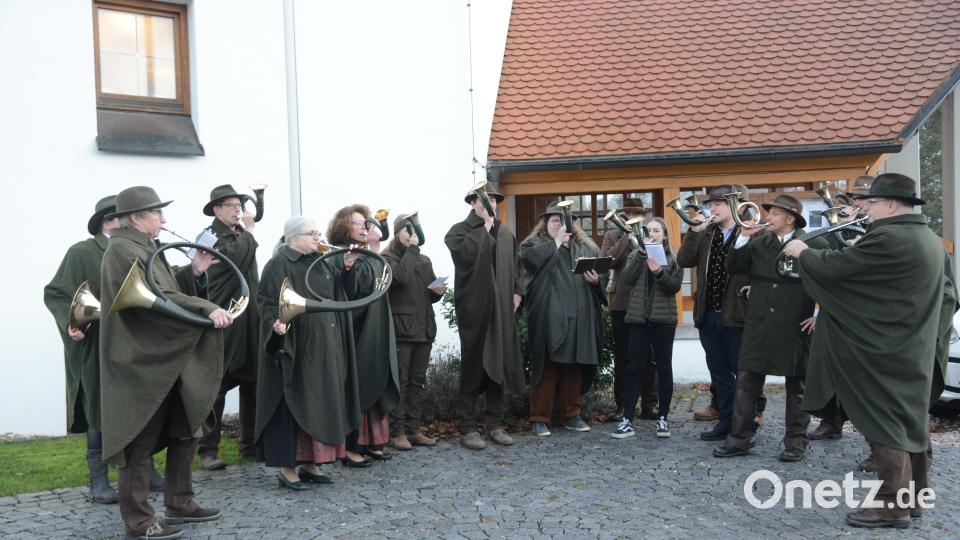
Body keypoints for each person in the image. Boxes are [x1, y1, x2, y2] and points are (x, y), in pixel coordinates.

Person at [783, 173, 945, 528]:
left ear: (890, 204)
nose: (865, 210)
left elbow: (840, 270)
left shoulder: (890, 236)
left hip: (883, 350)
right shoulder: (925, 237)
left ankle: (891, 505)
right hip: (910, 347)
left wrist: (804, 253)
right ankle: (915, 495)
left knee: (884, 423)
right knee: (909, 422)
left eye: (870, 204)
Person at [99, 186, 227, 539]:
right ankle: (138, 522)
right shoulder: (123, 249)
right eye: (157, 213)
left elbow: (165, 286)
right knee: (139, 442)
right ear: (137, 217)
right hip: (143, 361)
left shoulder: (145, 245)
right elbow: (160, 297)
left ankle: (180, 502)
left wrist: (195, 271)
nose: (164, 219)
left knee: (186, 427)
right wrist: (208, 308)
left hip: (165, 356)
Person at [711, 194, 827, 462]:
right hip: (759, 324)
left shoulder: (814, 243)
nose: (767, 217)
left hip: (796, 324)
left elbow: (830, 280)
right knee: (746, 383)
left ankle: (796, 441)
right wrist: (742, 238)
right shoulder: (759, 241)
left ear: (789, 218)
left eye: (774, 214)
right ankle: (739, 439)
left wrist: (821, 314)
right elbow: (733, 266)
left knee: (797, 388)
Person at [255, 217, 362, 489]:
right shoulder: (278, 264)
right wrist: (275, 325)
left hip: (324, 345)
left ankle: (310, 462)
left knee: (316, 402)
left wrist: (348, 266)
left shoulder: (321, 262)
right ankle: (287, 467)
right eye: (310, 233)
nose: (317, 237)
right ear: (292, 238)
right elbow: (266, 302)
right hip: (295, 344)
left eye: (317, 232)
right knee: (291, 402)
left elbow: (342, 295)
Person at [44, 195, 120, 504]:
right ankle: (98, 480)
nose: (129, 222)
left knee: (139, 406)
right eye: (122, 217)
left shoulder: (138, 249)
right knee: (97, 408)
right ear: (106, 221)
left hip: (132, 343)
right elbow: (57, 293)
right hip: (95, 344)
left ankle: (145, 471)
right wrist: (70, 323)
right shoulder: (82, 252)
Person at [444, 186, 524, 450]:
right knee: (474, 366)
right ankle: (467, 428)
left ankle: (495, 424)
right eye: (482, 200)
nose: (488, 203)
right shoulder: (458, 232)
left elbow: (516, 266)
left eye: (491, 200)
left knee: (498, 365)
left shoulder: (505, 233)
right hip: (475, 311)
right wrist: (486, 230)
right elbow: (465, 256)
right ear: (472, 203)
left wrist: (516, 292)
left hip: (501, 310)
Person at [521, 201, 604, 436]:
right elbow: (529, 262)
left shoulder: (586, 249)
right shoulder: (533, 245)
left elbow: (603, 278)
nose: (559, 224)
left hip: (579, 317)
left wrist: (596, 281)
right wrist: (557, 243)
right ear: (545, 224)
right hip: (549, 316)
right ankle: (539, 417)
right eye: (555, 220)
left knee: (574, 366)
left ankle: (572, 414)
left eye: (564, 220)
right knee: (547, 365)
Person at [676, 184, 750, 441]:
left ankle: (744, 427)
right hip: (709, 314)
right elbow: (684, 260)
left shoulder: (749, 231)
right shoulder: (706, 232)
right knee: (719, 373)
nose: (712, 208)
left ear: (734, 205)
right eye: (711, 204)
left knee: (743, 374)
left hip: (738, 314)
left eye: (717, 204)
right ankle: (726, 422)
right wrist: (693, 231)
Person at [328, 205, 400, 465]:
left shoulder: (369, 254)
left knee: (377, 378)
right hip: (355, 329)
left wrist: (376, 250)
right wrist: (349, 267)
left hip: (377, 326)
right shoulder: (339, 254)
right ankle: (351, 445)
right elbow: (352, 291)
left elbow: (382, 283)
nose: (364, 227)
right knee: (357, 385)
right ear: (345, 226)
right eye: (358, 223)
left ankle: (372, 441)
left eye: (364, 223)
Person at [196, 185, 260, 470]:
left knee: (252, 382)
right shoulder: (208, 237)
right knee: (217, 387)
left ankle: (251, 445)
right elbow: (234, 260)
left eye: (239, 204)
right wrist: (249, 232)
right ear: (216, 209)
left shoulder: (238, 236)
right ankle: (207, 451)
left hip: (249, 320)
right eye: (232, 205)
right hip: (224, 319)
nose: (238, 209)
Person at [807, 175, 874, 442]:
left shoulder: (879, 228)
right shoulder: (847, 225)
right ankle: (831, 421)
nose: (856, 204)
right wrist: (842, 225)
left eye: (862, 199)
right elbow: (829, 263)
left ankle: (875, 441)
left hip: (865, 313)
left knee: (866, 379)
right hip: (836, 308)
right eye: (855, 198)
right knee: (830, 367)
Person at [611, 216, 682, 439]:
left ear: (664, 235)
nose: (651, 234)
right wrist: (641, 256)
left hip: (663, 321)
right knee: (634, 369)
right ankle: (627, 419)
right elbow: (628, 280)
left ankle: (663, 418)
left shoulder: (673, 259)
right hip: (638, 320)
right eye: (648, 230)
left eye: (656, 231)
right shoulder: (635, 254)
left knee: (664, 368)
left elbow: (674, 288)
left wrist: (660, 274)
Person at [382, 214, 445, 450]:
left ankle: (414, 429)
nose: (412, 234)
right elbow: (399, 278)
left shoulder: (423, 259)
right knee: (400, 381)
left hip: (424, 328)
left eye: (414, 229)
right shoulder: (387, 258)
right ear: (398, 233)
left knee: (417, 382)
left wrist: (437, 291)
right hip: (402, 330)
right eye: (407, 230)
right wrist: (411, 250)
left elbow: (428, 293)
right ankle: (397, 432)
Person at [600, 199, 658, 421]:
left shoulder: (652, 233)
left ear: (644, 216)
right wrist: (626, 237)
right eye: (630, 213)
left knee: (649, 356)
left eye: (638, 214)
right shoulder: (613, 235)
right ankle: (623, 406)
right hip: (622, 302)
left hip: (647, 300)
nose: (633, 217)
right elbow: (607, 262)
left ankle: (650, 404)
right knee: (623, 356)